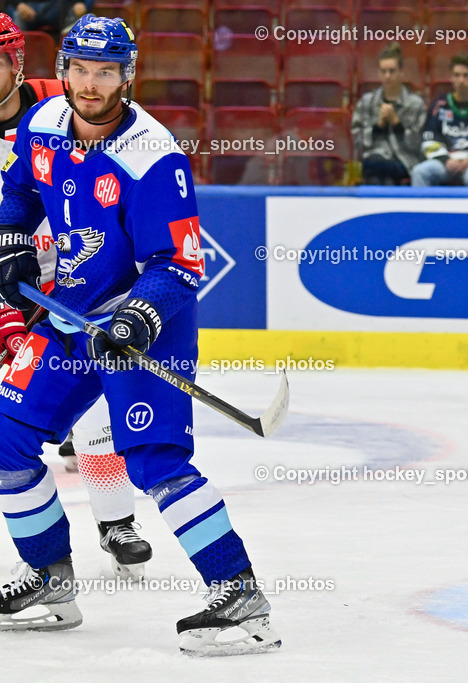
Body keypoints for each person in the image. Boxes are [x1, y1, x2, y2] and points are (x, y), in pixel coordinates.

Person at [0, 15, 278, 655]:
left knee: (155, 459)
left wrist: (135, 318)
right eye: (79, 70)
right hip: (71, 313)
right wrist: (14, 244)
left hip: (144, 326)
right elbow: (18, 194)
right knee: (7, 435)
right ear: (63, 70)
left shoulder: (153, 157)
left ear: (127, 76)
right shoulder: (42, 126)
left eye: (104, 73)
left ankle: (238, 595)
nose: (90, 85)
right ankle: (48, 578)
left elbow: (181, 265)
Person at [0, 12, 150, 579]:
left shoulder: (55, 109)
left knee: (94, 411)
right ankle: (43, 559)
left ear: (17, 65)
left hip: (66, 280)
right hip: (4, 281)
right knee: (10, 429)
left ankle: (116, 521)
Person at [411, 52, 468, 187]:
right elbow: (429, 138)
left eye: (466, 75)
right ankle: (422, 209)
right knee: (419, 172)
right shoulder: (439, 105)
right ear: (451, 78)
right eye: (457, 75)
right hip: (445, 160)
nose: (461, 80)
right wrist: (445, 160)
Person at [351, 42, 425, 186]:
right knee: (374, 169)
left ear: (401, 73)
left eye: (392, 71)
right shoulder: (367, 102)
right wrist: (377, 126)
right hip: (374, 158)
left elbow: (419, 145)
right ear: (378, 73)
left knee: (379, 172)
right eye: (383, 71)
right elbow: (357, 141)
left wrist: (397, 124)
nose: (387, 76)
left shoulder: (415, 104)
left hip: (404, 160)